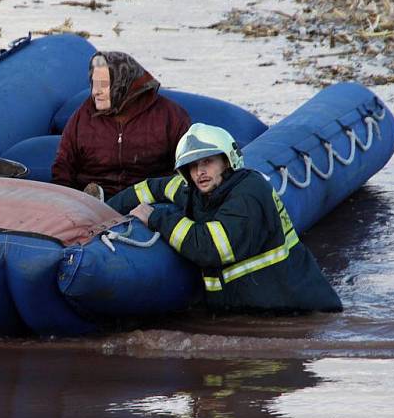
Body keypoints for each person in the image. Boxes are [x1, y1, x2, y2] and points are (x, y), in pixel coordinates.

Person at [107, 123, 343, 313]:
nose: (200, 172)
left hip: (291, 311)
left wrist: (157, 218)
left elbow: (212, 248)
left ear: (227, 161)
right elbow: (151, 188)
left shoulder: (249, 193)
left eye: (207, 162)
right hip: (246, 309)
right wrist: (103, 211)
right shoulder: (195, 190)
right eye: (192, 166)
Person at [52, 51, 191, 200]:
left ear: (124, 83)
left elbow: (187, 167)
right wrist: (64, 201)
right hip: (95, 199)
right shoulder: (83, 116)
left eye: (104, 85)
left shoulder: (170, 116)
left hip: (149, 199)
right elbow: (63, 166)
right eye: (93, 84)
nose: (95, 92)